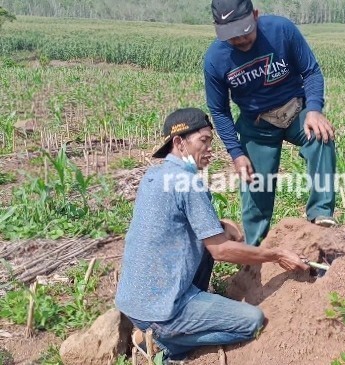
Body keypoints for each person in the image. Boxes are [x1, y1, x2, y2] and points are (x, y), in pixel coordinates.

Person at [114, 107, 309, 363]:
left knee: (208, 238)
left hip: (132, 303)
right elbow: (220, 250)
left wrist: (219, 223)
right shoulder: (189, 183)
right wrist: (275, 254)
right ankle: (169, 341)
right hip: (162, 312)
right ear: (179, 143)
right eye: (203, 141)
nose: (209, 149)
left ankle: (165, 326)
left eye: (211, 141)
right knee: (253, 321)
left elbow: (174, 221)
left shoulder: (154, 176)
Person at [204, 0, 337, 247]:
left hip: (296, 110)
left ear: (255, 15)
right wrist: (236, 153)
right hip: (257, 125)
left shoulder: (281, 30)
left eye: (243, 33)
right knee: (255, 184)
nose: (240, 41)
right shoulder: (215, 60)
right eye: (231, 37)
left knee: (321, 138)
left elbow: (311, 71)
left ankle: (320, 215)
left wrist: (314, 110)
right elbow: (219, 110)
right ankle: (255, 251)